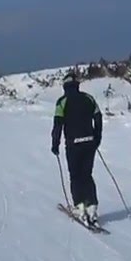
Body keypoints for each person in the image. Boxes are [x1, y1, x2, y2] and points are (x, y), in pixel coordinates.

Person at [51, 72, 103, 224]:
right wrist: (97, 137)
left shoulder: (62, 102)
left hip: (73, 144)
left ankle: (80, 208)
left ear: (65, 86)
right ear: (77, 85)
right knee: (87, 175)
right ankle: (92, 207)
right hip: (89, 143)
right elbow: (98, 117)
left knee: (75, 176)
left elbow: (58, 125)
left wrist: (55, 144)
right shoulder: (89, 98)